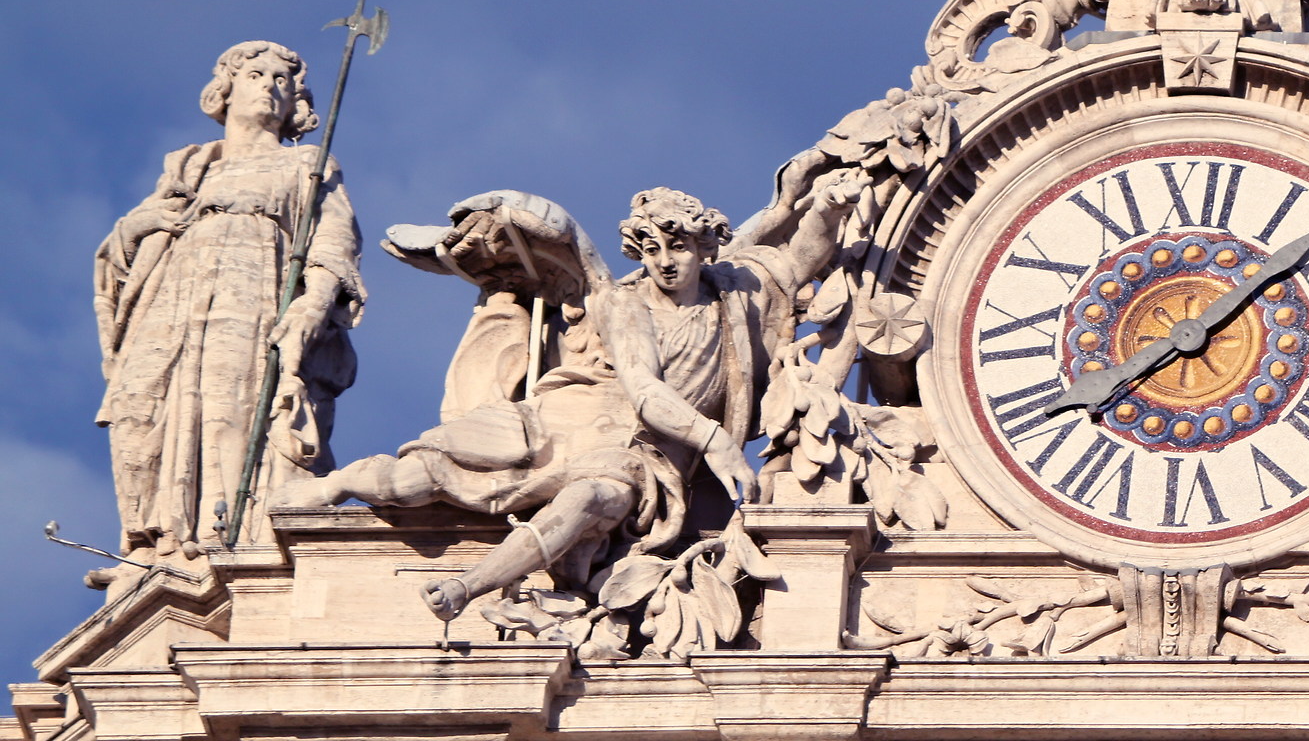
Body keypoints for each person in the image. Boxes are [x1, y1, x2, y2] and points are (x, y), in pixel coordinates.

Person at [281, 187, 816, 622]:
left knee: (588, 498)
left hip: (636, 455)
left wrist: (825, 195)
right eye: (651, 250)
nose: (666, 263)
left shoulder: (734, 300)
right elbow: (647, 390)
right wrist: (715, 439)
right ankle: (334, 486)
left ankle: (466, 587)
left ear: (704, 248)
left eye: (677, 249)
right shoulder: (625, 305)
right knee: (418, 477)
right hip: (565, 421)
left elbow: (800, 244)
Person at [93, 41, 365, 571]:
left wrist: (311, 305)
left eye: (284, 80)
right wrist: (140, 226)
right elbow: (117, 257)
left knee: (230, 407)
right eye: (257, 73)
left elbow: (336, 239)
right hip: (172, 293)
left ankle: (229, 537)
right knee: (138, 406)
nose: (271, 84)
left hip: (253, 289)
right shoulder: (190, 167)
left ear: (296, 104)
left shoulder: (307, 164)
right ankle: (154, 541)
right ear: (226, 89)